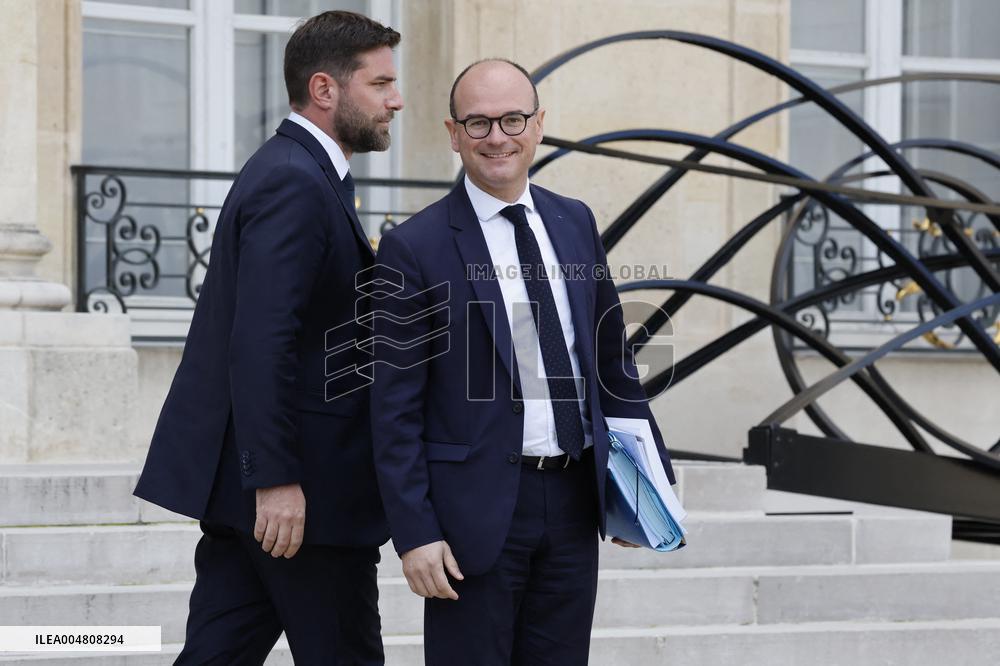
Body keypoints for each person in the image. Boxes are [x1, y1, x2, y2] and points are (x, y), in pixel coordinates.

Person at [370, 58, 675, 665]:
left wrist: (643, 488)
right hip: (472, 515)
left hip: (572, 500)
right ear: (453, 134)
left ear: (539, 125)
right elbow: (393, 408)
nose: (497, 138)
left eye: (512, 119)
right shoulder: (415, 246)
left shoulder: (575, 222)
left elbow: (612, 363)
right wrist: (415, 533)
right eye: (478, 124)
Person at [133, 11, 403, 664]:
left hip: (256, 497)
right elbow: (261, 341)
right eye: (381, 83)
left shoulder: (302, 173)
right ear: (325, 89)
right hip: (298, 501)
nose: (397, 99)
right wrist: (276, 479)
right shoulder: (295, 182)